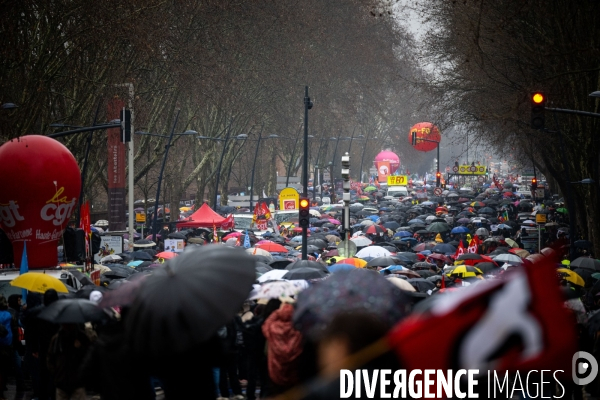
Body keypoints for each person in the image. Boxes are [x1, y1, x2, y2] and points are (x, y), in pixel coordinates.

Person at [47, 323, 92, 400]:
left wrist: (79, 348)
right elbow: (50, 358)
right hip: (62, 380)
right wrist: (56, 373)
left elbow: (89, 356)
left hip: (77, 381)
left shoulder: (81, 337)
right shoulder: (57, 339)